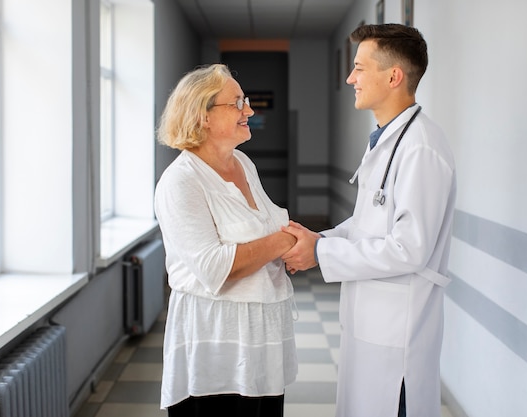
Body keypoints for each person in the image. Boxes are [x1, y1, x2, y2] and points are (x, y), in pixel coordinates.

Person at [281, 24, 456, 417]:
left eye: (359, 68)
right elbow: (366, 223)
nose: (350, 78)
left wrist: (321, 252)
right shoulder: (386, 139)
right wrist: (316, 238)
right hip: (372, 326)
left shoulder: (420, 149)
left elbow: (408, 249)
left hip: (398, 339)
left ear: (393, 76)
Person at [154, 64, 298, 417]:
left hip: (259, 344)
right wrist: (285, 244)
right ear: (202, 116)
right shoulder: (180, 182)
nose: (248, 110)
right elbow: (214, 267)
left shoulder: (243, 163)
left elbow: (264, 228)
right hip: (215, 347)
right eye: (237, 103)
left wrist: (296, 244)